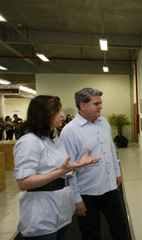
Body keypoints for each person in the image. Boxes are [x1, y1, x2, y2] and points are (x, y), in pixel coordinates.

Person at [13, 95, 101, 239]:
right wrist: (61, 172)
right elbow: (24, 182)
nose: (62, 115)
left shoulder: (54, 140)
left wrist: (76, 165)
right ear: (44, 114)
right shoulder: (29, 142)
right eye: (58, 111)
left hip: (61, 210)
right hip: (42, 213)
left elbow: (62, 169)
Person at [59, 88, 130, 240]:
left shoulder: (103, 122)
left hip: (110, 187)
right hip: (87, 193)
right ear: (82, 105)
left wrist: (117, 173)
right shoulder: (69, 131)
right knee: (91, 234)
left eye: (100, 103)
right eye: (96, 103)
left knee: (120, 227)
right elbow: (68, 169)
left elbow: (111, 150)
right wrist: (77, 198)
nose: (100, 107)